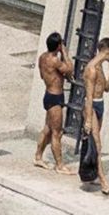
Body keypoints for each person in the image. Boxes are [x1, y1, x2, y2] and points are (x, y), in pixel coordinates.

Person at [81, 37, 109, 195]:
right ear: (107, 50)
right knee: (97, 144)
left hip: (100, 104)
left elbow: (106, 89)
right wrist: (88, 120)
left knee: (94, 143)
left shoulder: (101, 67)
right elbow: (89, 96)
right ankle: (103, 181)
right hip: (91, 107)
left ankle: (90, 173)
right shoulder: (91, 69)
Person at [35, 32, 72, 172]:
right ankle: (59, 165)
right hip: (55, 97)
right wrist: (65, 53)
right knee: (57, 132)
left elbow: (42, 75)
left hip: (48, 94)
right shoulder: (55, 60)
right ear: (58, 46)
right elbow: (70, 69)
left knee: (47, 129)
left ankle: (38, 157)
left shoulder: (42, 57)